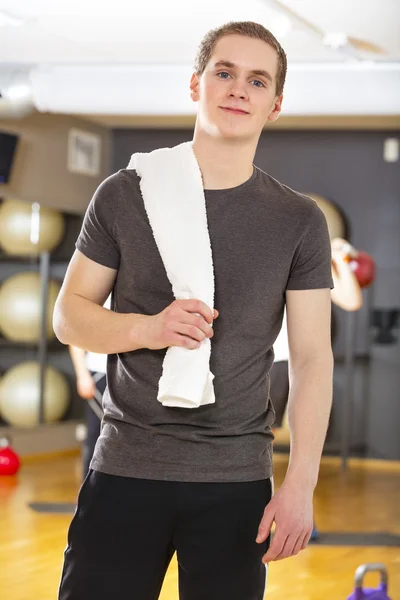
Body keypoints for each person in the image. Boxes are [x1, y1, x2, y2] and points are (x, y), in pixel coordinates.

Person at [54, 21, 335, 600]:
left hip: (236, 480)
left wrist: (301, 482)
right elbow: (69, 316)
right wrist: (149, 327)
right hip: (127, 464)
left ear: (275, 104)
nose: (238, 89)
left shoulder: (299, 220)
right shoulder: (124, 193)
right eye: (224, 72)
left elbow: (311, 360)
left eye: (257, 81)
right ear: (195, 85)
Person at [270, 237, 363, 539]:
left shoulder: (313, 264)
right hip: (267, 361)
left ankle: (289, 514)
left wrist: (336, 258)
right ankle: (261, 514)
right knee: (259, 445)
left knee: (283, 443)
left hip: (288, 365)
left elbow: (351, 299)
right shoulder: (275, 253)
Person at [68, 295, 111, 479]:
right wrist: (82, 375)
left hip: (128, 374)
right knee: (95, 436)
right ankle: (87, 491)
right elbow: (74, 336)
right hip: (98, 374)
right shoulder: (97, 294)